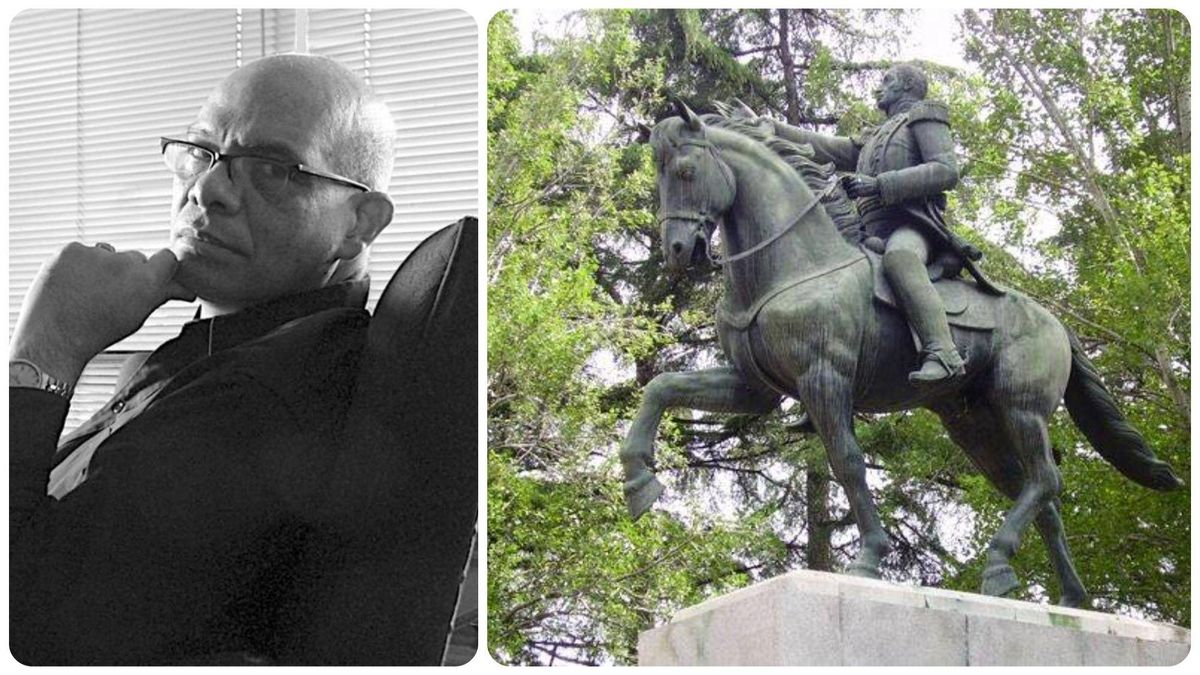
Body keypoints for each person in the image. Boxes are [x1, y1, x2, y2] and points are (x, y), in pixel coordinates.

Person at [9, 53, 399, 664]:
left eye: (273, 168)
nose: (207, 188)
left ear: (359, 225)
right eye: (200, 151)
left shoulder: (266, 399)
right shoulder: (219, 350)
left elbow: (25, 627)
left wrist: (46, 350)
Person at [771, 63, 968, 387]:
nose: (879, 87)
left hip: (914, 226)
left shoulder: (924, 115)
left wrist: (879, 184)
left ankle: (943, 352)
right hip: (868, 234)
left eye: (887, 81)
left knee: (900, 259)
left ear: (906, 86)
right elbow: (820, 146)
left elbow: (946, 170)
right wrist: (768, 126)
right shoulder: (873, 137)